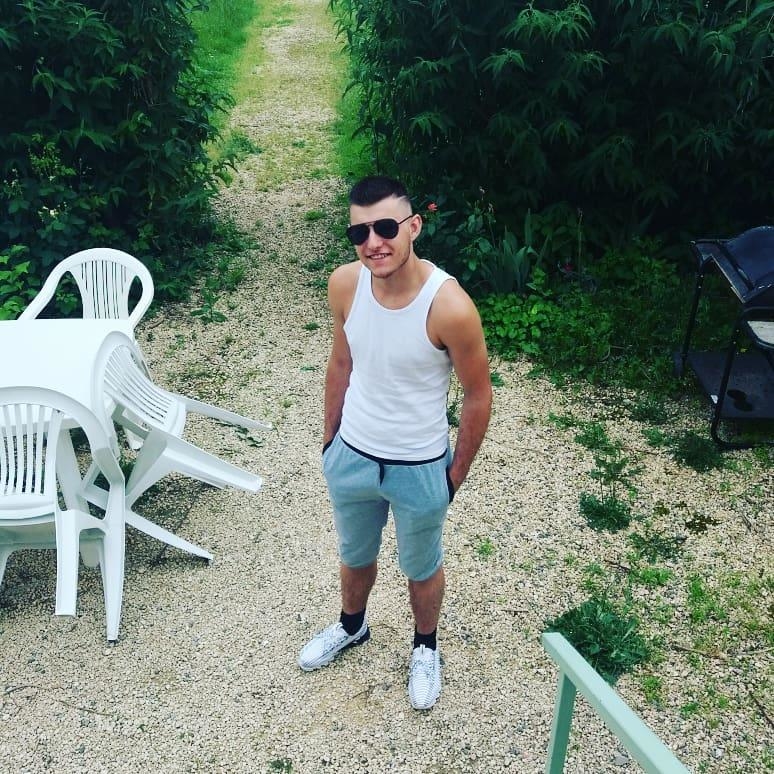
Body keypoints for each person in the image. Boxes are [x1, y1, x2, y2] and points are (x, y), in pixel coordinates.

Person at [298, 176, 492, 710]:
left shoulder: (449, 307)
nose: (373, 242)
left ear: (414, 226)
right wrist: (330, 441)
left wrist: (453, 476)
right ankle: (352, 626)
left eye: (386, 227)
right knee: (354, 554)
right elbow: (341, 361)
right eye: (359, 232)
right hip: (352, 456)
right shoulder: (345, 284)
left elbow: (478, 397)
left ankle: (425, 647)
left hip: (419, 466)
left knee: (421, 566)